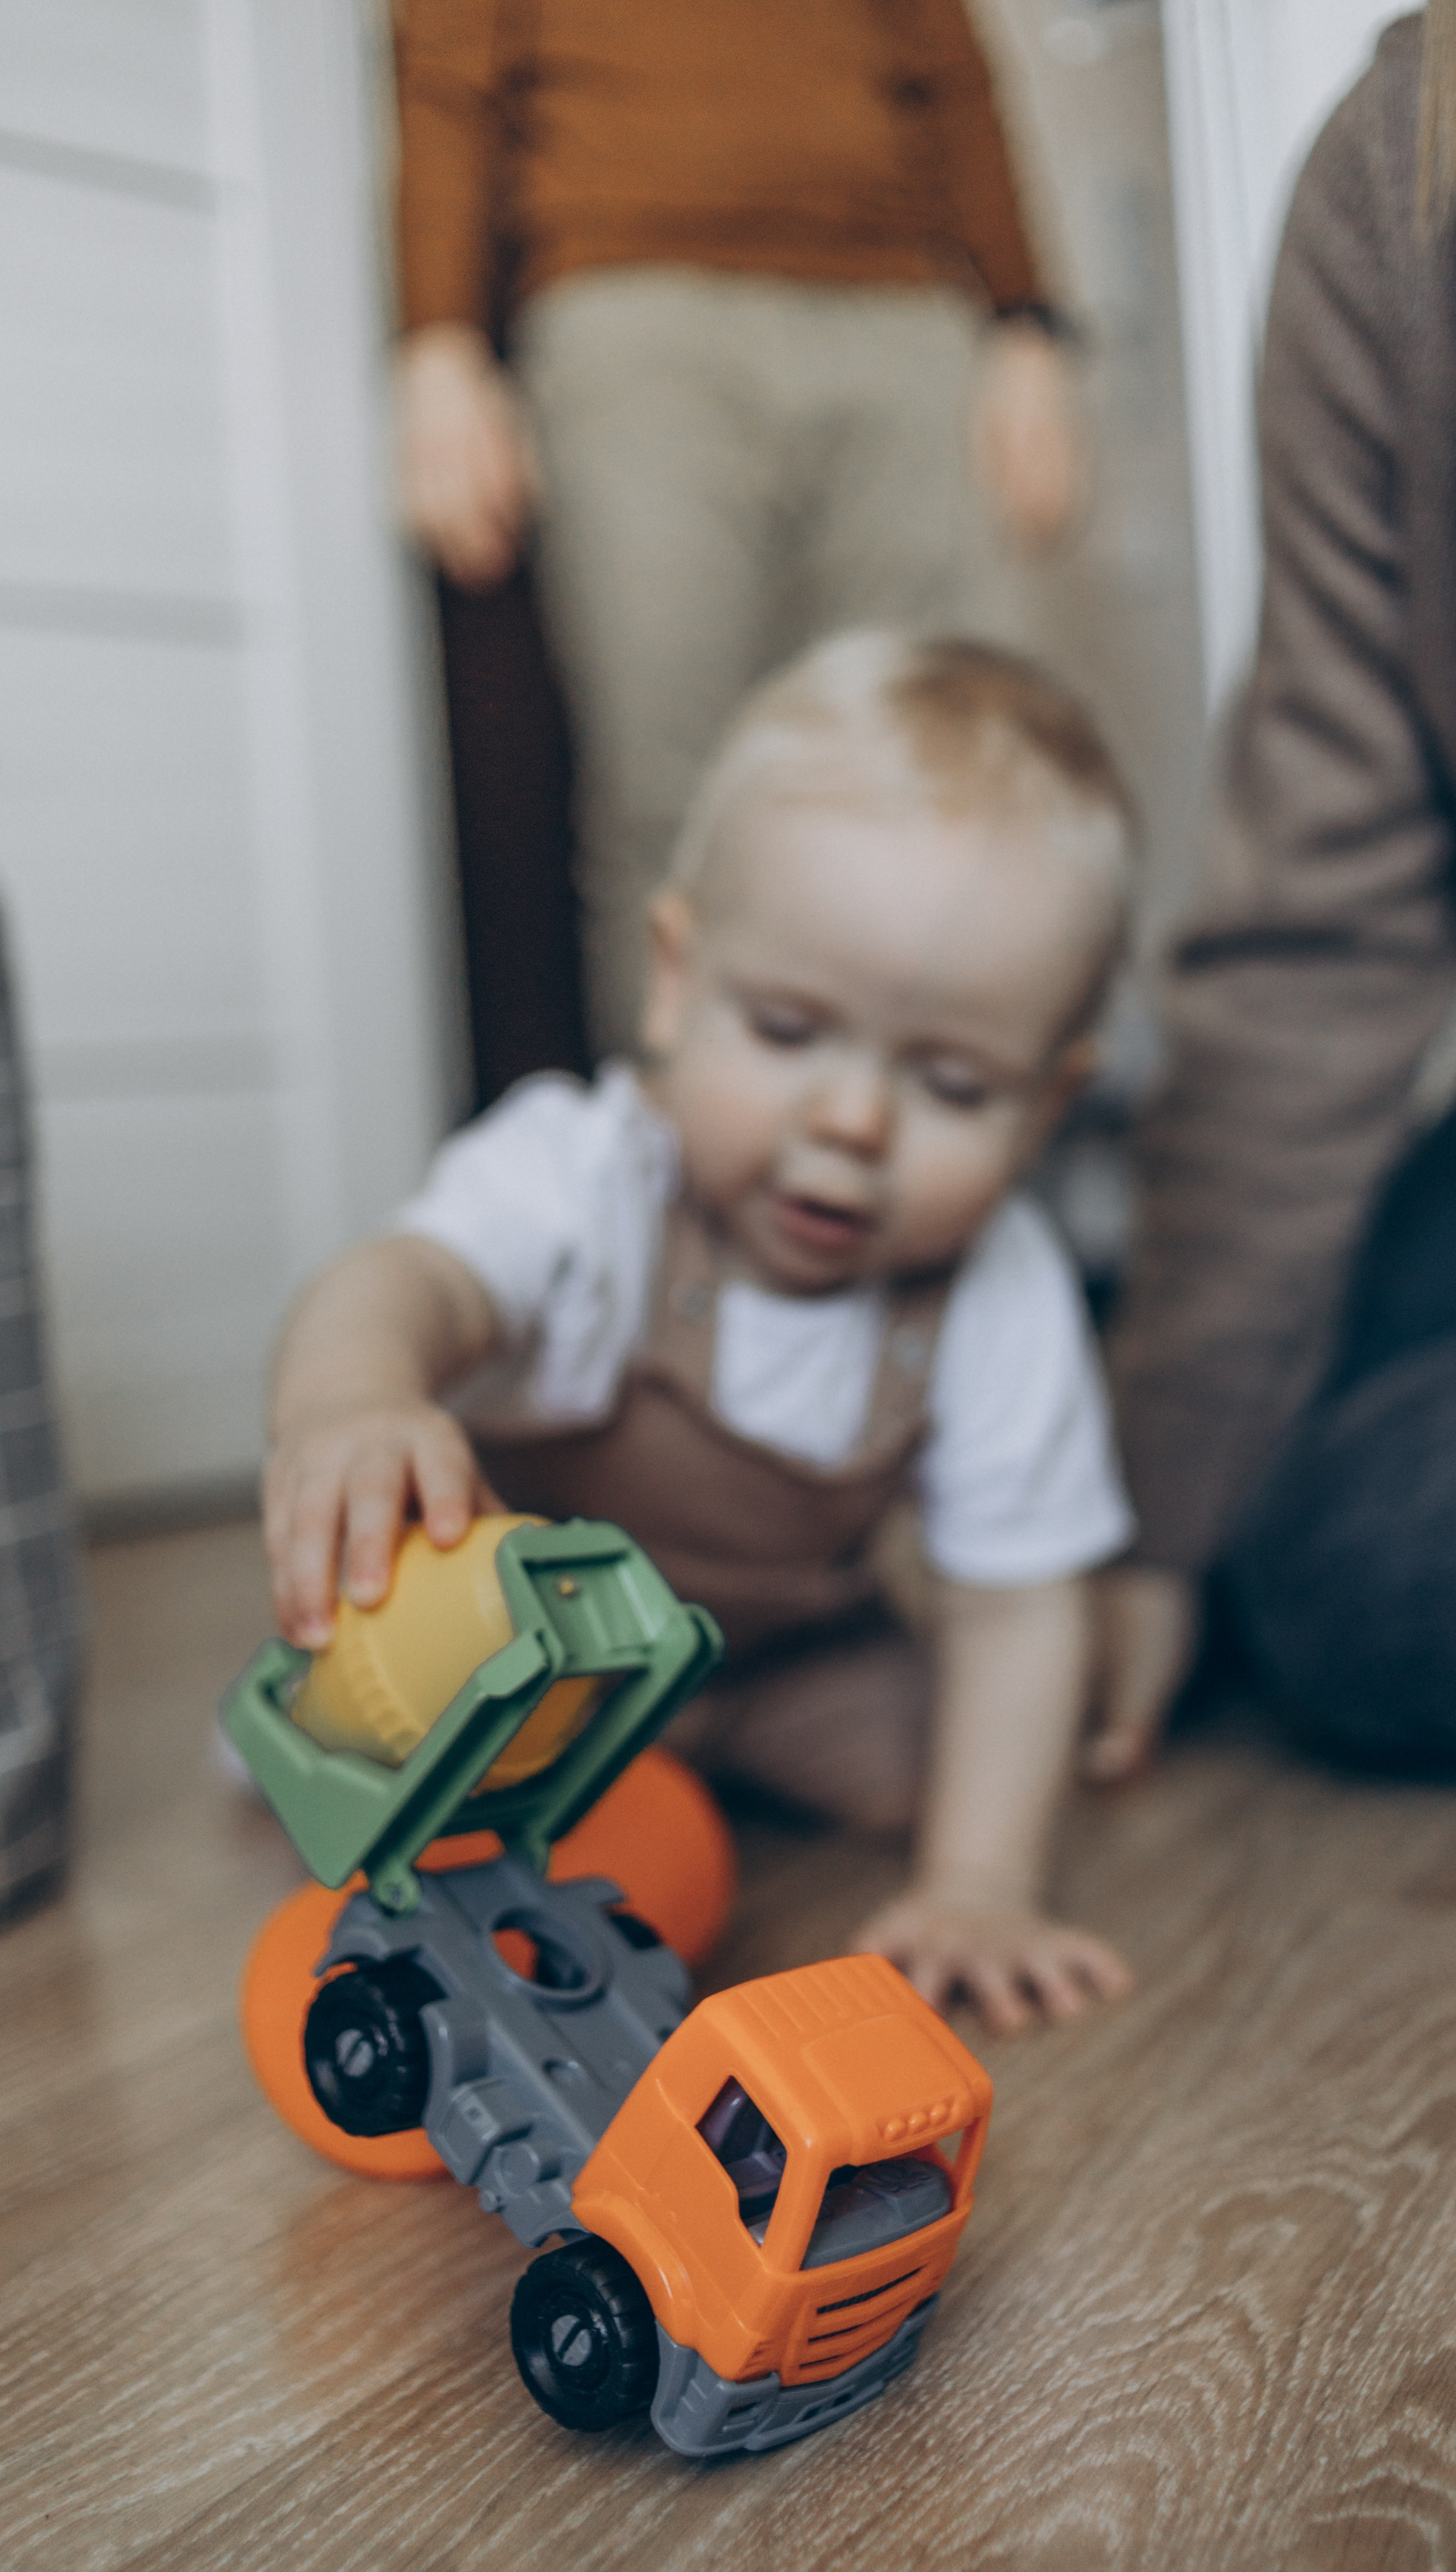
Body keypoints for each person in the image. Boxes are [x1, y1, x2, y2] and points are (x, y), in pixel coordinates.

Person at [265, 632, 1137, 2033]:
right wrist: (351, 1401)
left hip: (784, 1661)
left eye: (954, 1085)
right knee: (389, 1736)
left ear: (1044, 1107)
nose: (851, 1123)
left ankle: (696, 1761)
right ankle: (411, 1737)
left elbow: (1015, 1599)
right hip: (520, 1664)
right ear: (677, 980)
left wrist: (978, 1877)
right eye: (788, 1030)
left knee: (965, 1754)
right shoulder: (588, 1172)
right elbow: (401, 1280)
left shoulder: (996, 1284)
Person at [1089, 1, 1456, 1781]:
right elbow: (1322, 924)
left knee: (1391, 1579)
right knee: (1289, 1502)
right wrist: (1149, 1524)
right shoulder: (1405, 184)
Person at [392, 0, 1084, 1058]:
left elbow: (951, 58)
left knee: (922, 797)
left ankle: (901, 1196)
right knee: (673, 818)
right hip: (633, 311)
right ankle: (680, 1198)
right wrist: (437, 340)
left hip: (903, 313)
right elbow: (446, 66)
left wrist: (1026, 319)